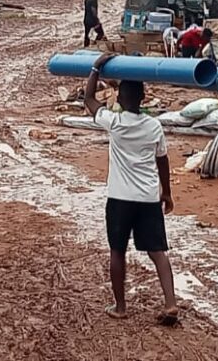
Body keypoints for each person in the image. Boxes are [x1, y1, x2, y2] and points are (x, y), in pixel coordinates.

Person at [84, 59, 178, 326]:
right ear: (143, 98)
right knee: (158, 251)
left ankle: (121, 307)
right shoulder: (154, 126)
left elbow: (89, 100)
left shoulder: (114, 122)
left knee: (117, 251)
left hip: (119, 198)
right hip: (148, 198)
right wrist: (167, 192)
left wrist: (95, 69)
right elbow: (163, 160)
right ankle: (170, 303)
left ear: (121, 99)